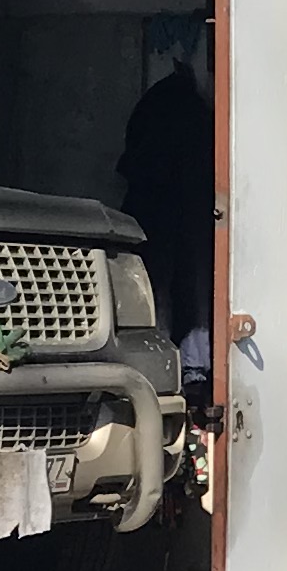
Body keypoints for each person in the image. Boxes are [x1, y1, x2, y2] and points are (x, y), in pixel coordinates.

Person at [113, 33, 216, 393]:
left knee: (160, 286)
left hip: (157, 206)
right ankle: (191, 366)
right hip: (174, 206)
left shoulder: (164, 101)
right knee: (185, 283)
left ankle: (173, 365)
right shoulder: (182, 107)